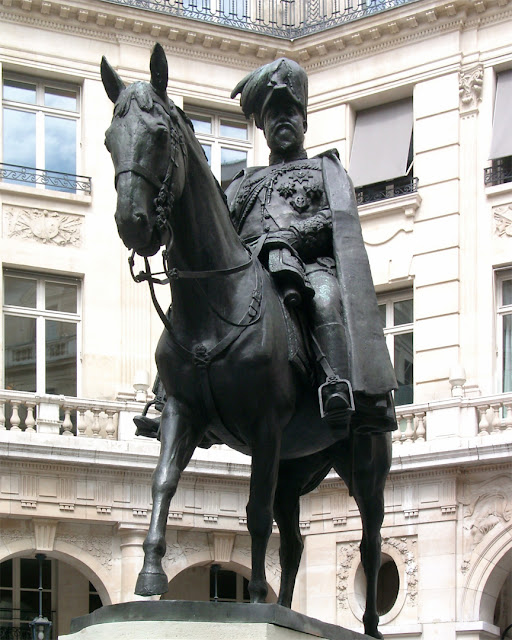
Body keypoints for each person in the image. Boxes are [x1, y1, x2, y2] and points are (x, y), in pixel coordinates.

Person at [134, 57, 397, 439]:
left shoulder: (325, 170)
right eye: (272, 116)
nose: (282, 121)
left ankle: (337, 387)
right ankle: (168, 398)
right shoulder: (244, 183)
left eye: (289, 112)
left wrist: (294, 236)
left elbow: (337, 219)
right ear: (263, 127)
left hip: (308, 269)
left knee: (325, 297)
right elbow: (219, 231)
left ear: (304, 121)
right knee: (187, 307)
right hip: (250, 275)